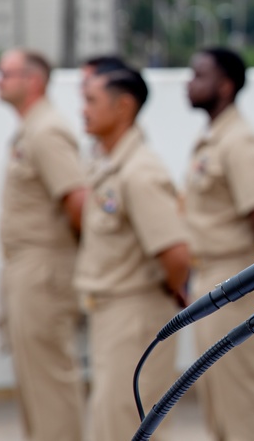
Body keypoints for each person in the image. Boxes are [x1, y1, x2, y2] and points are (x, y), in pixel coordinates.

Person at [74, 64, 190, 441]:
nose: (83, 109)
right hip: (112, 313)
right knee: (112, 423)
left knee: (126, 427)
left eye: (91, 100)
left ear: (123, 107)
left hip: (134, 314)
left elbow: (175, 254)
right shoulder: (108, 164)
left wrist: (165, 292)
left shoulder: (139, 171)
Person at [183, 46, 254, 441]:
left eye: (199, 76)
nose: (188, 84)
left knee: (243, 402)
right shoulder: (213, 138)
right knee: (218, 399)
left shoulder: (240, 142)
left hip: (236, 277)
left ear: (224, 86)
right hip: (210, 276)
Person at [0, 49, 88, 441]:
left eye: (7, 73)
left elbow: (78, 200)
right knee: (34, 382)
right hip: (27, 267)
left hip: (44, 267)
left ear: (33, 80)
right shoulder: (31, 128)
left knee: (50, 383)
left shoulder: (47, 130)